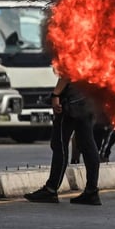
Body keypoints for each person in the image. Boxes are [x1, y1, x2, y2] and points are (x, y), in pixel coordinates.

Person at [24, 76, 101, 205]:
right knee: (87, 144)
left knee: (59, 143)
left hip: (71, 101)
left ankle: (51, 189)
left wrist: (56, 94)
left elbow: (67, 71)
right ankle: (91, 191)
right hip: (89, 97)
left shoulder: (74, 55)